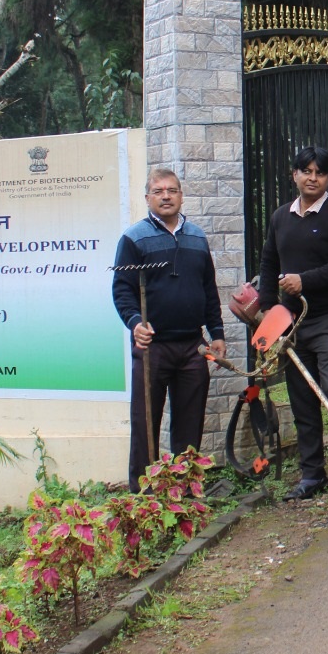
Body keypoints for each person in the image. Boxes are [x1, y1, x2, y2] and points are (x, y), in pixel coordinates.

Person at [257, 147, 328, 502]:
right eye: (306, 171)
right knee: (302, 398)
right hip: (292, 326)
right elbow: (269, 263)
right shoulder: (279, 218)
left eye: (319, 172)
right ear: (295, 174)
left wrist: (305, 280)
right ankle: (312, 474)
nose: (312, 177)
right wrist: (270, 312)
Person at [112, 167, 227, 492]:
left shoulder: (197, 237)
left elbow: (208, 289)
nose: (166, 196)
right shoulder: (134, 239)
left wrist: (216, 333)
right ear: (147, 197)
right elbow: (122, 289)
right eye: (159, 191)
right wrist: (135, 323)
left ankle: (185, 489)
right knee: (145, 422)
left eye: (172, 190)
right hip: (153, 348)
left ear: (180, 195)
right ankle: (143, 494)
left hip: (193, 347)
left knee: (189, 424)